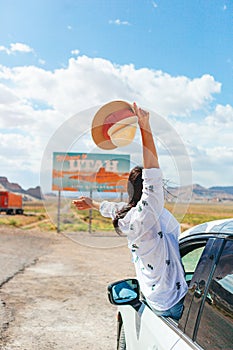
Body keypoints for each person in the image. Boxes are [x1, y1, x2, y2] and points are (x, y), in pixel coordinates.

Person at [72, 102, 188, 320]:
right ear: (148, 192)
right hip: (173, 302)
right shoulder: (147, 212)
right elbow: (152, 172)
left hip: (154, 298)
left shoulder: (128, 216)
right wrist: (145, 127)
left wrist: (91, 203)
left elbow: (110, 209)